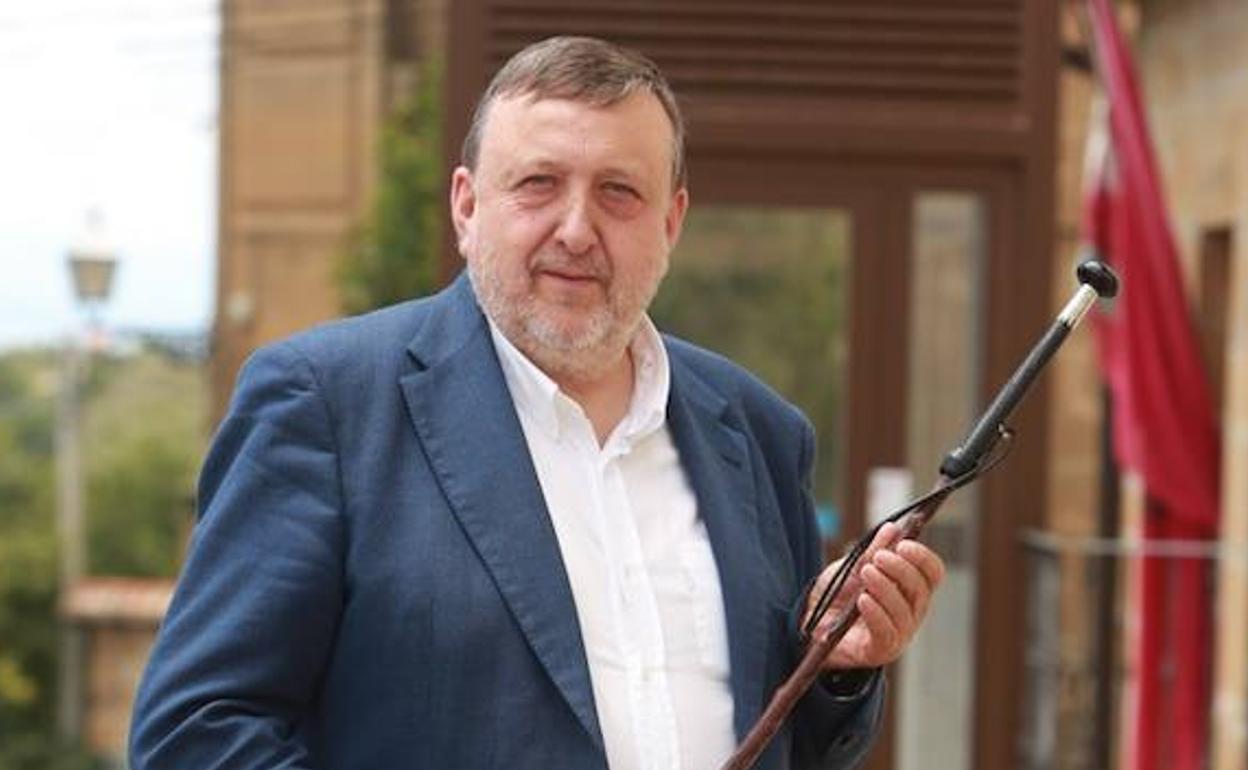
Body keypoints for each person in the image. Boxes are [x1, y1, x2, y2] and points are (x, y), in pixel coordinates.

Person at [129, 36, 945, 770]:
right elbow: (195, 735)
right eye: (538, 184)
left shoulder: (760, 431)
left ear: (671, 222)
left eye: (619, 191)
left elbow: (792, 743)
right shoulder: (329, 405)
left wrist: (837, 670)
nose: (576, 229)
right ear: (467, 206)